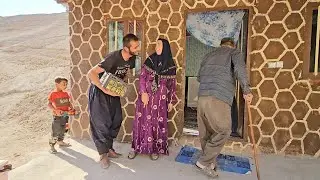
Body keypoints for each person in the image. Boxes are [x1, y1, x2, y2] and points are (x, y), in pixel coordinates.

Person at [196, 37, 253, 178]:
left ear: (221, 45)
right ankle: (203, 162)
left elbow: (199, 77)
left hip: (202, 97)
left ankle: (210, 164)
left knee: (207, 133)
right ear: (232, 46)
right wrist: (247, 90)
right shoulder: (234, 53)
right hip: (219, 97)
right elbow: (240, 69)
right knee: (224, 130)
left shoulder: (208, 55)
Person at [87, 34, 140, 169]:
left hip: (113, 92)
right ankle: (103, 154)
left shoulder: (132, 59)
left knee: (116, 120)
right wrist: (104, 90)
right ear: (126, 48)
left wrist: (120, 86)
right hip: (99, 92)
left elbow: (124, 73)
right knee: (101, 123)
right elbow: (91, 73)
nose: (138, 48)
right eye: (135, 47)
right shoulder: (113, 57)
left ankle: (109, 148)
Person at [128, 38, 177, 161]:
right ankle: (136, 147)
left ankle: (155, 149)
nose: (156, 47)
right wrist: (143, 92)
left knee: (157, 124)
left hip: (161, 100)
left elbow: (172, 85)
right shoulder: (150, 60)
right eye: (156, 45)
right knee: (142, 122)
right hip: (146, 98)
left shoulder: (170, 65)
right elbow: (143, 77)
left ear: (165, 47)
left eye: (159, 45)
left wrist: (171, 101)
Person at [48, 77, 75, 154]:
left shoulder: (66, 93)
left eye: (66, 84)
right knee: (55, 131)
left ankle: (60, 141)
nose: (65, 85)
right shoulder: (53, 94)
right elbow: (49, 104)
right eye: (63, 84)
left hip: (65, 115)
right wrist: (55, 110)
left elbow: (68, 102)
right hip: (57, 117)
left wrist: (71, 107)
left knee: (63, 129)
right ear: (57, 84)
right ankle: (52, 146)